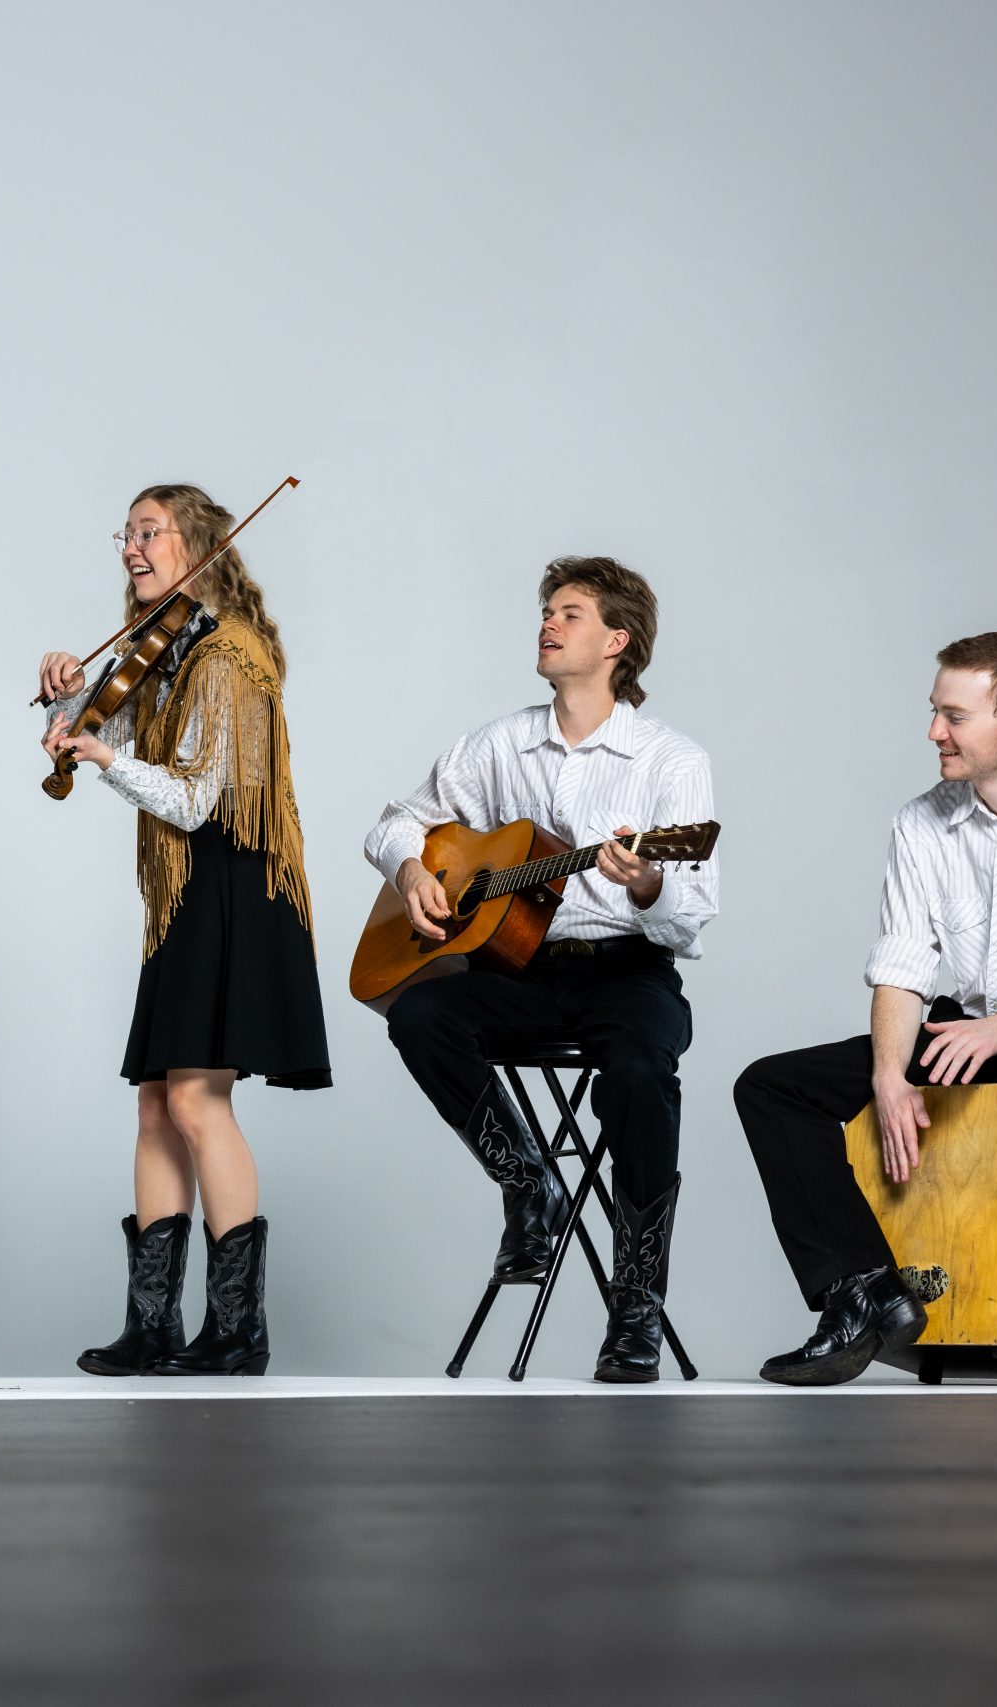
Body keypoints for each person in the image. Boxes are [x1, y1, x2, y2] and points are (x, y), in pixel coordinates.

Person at [736, 632, 997, 1387]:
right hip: (959, 1028)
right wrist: (890, 1075)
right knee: (771, 1085)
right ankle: (863, 1291)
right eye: (935, 712)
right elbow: (901, 964)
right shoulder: (920, 822)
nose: (934, 731)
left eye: (953, 715)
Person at [364, 556, 716, 1382]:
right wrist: (414, 872)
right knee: (419, 1015)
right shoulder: (499, 742)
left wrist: (651, 879)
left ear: (617, 642)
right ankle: (530, 1185)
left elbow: (693, 914)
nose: (547, 624)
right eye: (546, 611)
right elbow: (394, 822)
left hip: (628, 974)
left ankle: (636, 1306)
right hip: (522, 972)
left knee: (637, 1070)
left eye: (569, 613)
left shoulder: (670, 760)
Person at [39, 484, 329, 1378]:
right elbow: (112, 734)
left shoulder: (228, 656)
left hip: (233, 885)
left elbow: (197, 796)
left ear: (199, 545)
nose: (131, 547)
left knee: (199, 1102)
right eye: (124, 534)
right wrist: (78, 700)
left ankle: (239, 1329)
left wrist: (104, 755)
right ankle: (153, 1325)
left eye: (149, 532)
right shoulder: (165, 651)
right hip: (187, 893)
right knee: (155, 1102)